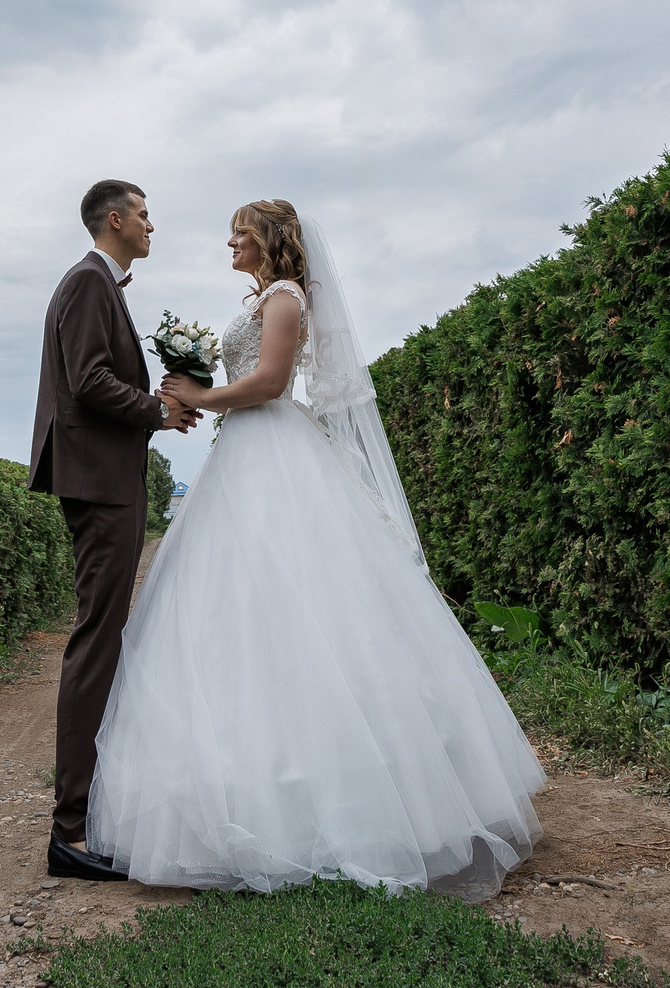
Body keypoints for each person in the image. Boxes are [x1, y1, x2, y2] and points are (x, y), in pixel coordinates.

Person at [85, 200, 544, 898]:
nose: (229, 240)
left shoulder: (288, 297)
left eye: (239, 231)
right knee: (242, 610)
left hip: (272, 449)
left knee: (304, 601)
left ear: (268, 239)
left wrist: (201, 396)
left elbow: (269, 383)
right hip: (245, 454)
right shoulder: (270, 296)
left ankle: (342, 805)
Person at [28, 179, 196, 881]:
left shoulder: (102, 283)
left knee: (103, 635)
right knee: (97, 640)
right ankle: (69, 830)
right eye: (146, 213)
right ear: (116, 218)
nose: (154, 224)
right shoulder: (90, 282)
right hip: (99, 482)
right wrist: (157, 411)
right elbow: (90, 379)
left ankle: (85, 813)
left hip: (104, 478)